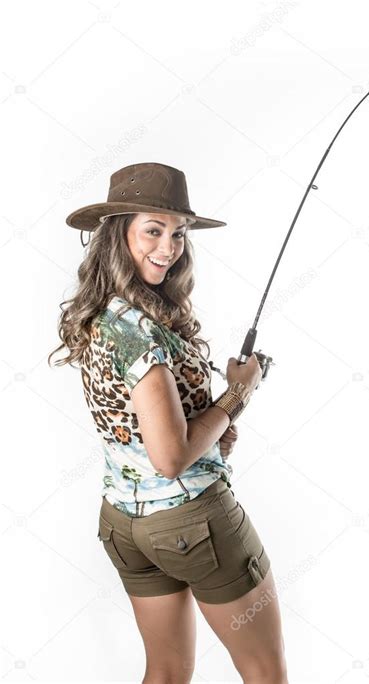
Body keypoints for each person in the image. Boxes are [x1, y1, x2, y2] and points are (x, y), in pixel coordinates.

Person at [48, 162, 288, 683]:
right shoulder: (140, 334)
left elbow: (143, 430)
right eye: (152, 231)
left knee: (167, 670)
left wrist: (213, 422)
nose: (169, 246)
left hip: (125, 526)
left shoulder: (99, 317)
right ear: (118, 235)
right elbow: (171, 456)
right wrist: (239, 394)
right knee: (266, 671)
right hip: (192, 520)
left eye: (178, 233)